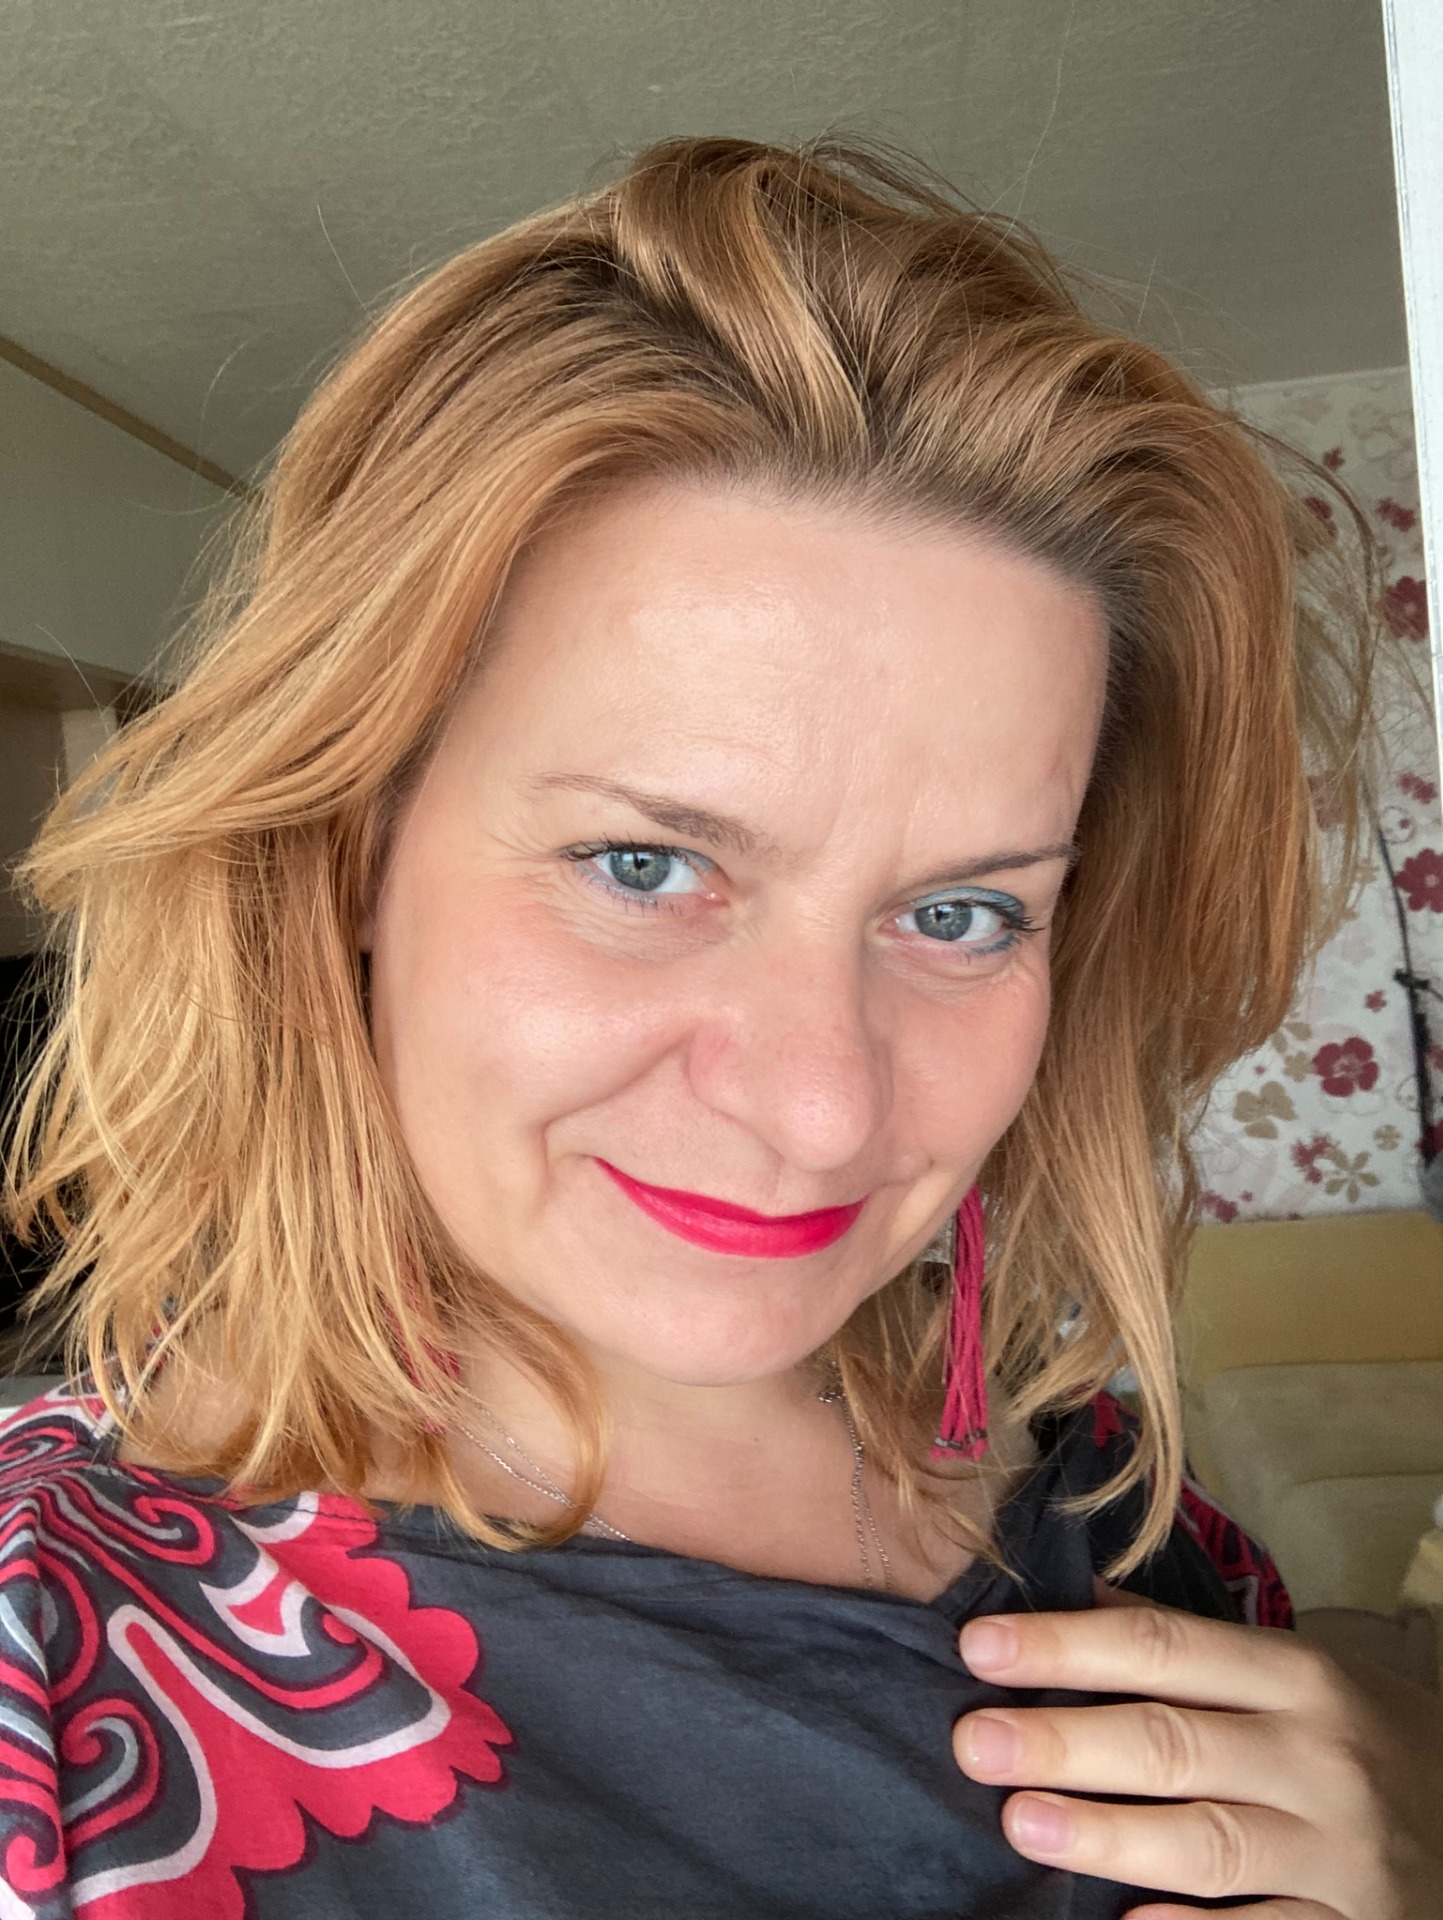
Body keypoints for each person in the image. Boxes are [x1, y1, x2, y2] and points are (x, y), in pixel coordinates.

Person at [1, 136, 1438, 1920]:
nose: (825, 1108)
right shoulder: (51, 1689)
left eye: (962, 913)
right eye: (646, 864)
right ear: (348, 852)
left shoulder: (1111, 1491)